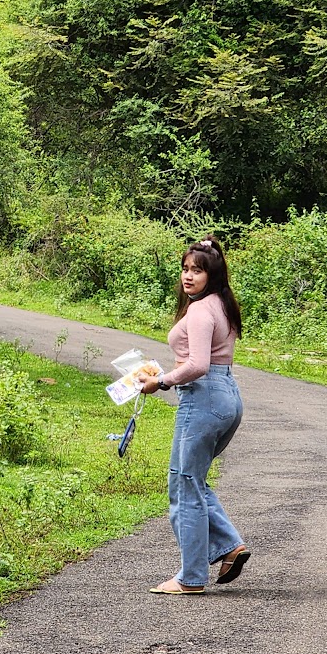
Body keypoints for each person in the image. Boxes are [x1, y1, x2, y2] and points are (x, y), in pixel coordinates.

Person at [140, 235, 249, 594]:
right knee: (193, 479)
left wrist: (161, 382)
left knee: (184, 485)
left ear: (211, 275)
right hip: (226, 395)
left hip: (203, 399)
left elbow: (198, 364)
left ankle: (191, 577)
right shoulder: (221, 303)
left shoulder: (201, 311)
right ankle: (229, 546)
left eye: (197, 271)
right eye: (185, 269)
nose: (188, 276)